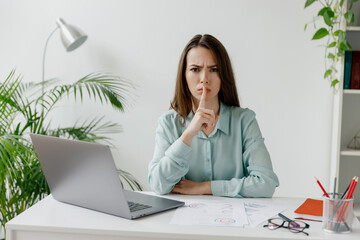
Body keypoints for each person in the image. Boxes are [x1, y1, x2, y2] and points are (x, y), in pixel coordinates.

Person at [148, 34, 279, 198]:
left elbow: (265, 184)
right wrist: (188, 135)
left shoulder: (245, 121)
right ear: (184, 75)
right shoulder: (168, 123)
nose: (204, 79)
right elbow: (158, 185)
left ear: (223, 75)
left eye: (214, 69)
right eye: (195, 70)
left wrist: (204, 187)